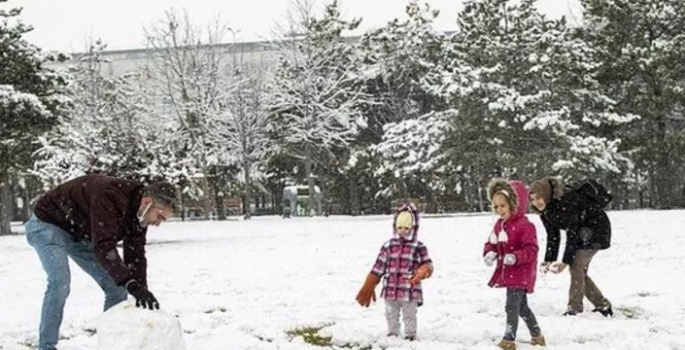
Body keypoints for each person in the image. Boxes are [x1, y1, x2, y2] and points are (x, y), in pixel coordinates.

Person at [25, 174, 177, 350]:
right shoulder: (110, 194)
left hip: (80, 234)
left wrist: (140, 287)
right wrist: (131, 283)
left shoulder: (139, 216)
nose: (158, 223)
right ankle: (46, 346)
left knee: (117, 285)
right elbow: (104, 246)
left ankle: (112, 343)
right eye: (159, 217)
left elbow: (135, 253)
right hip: (48, 224)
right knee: (60, 282)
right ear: (147, 202)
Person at [529, 176, 613, 317]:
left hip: (596, 230)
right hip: (582, 233)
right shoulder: (545, 210)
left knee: (575, 266)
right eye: (532, 199)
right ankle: (602, 305)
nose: (536, 202)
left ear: (546, 195)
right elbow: (553, 236)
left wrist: (565, 262)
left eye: (539, 198)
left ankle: (574, 309)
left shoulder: (566, 201)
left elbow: (572, 234)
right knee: (579, 271)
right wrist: (549, 259)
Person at [355, 202, 433, 341]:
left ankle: (410, 335)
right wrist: (370, 284)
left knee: (409, 314)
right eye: (400, 227)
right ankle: (392, 333)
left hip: (409, 289)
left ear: (413, 228)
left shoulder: (418, 247)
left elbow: (427, 263)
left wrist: (424, 270)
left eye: (406, 228)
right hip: (390, 289)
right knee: (391, 313)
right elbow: (379, 266)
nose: (403, 231)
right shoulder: (388, 246)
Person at [483, 179, 545, 350]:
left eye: (503, 206)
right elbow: (491, 242)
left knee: (511, 306)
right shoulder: (499, 225)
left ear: (514, 204)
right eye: (496, 206)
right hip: (508, 272)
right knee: (522, 307)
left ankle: (509, 339)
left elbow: (531, 250)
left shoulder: (526, 226)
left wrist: (516, 257)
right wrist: (490, 252)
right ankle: (537, 335)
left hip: (521, 272)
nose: (499, 210)